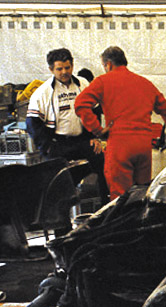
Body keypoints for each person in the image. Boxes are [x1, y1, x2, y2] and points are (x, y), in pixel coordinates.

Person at [75, 46, 166, 200]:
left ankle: (122, 224)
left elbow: (80, 104)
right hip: (144, 146)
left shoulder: (103, 81)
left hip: (120, 146)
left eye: (104, 66)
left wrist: (97, 130)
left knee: (120, 198)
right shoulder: (145, 83)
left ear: (108, 64)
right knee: (142, 194)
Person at [26, 48, 109, 204]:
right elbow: (32, 123)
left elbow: (95, 110)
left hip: (83, 140)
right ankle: (61, 224)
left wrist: (94, 136)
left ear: (72, 65)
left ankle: (106, 211)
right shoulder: (42, 92)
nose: (64, 72)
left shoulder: (83, 83)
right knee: (57, 183)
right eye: (59, 69)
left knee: (104, 165)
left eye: (67, 67)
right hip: (58, 143)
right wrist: (47, 147)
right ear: (51, 69)